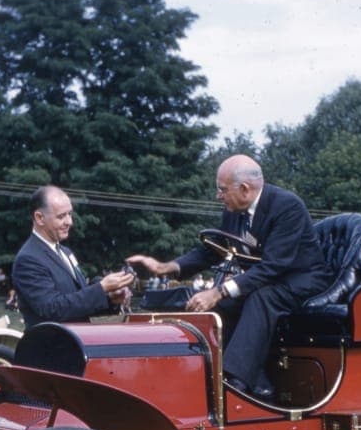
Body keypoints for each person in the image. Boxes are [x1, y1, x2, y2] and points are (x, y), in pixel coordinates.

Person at [126, 154, 331, 399]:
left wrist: (219, 290)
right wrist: (165, 267)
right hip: (270, 279)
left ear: (244, 189)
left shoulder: (287, 207)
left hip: (303, 280)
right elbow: (212, 250)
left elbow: (273, 267)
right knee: (228, 302)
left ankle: (235, 384)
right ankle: (250, 377)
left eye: (222, 190)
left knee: (260, 297)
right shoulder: (234, 210)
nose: (218, 196)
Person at [12, 185, 135, 327]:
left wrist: (110, 298)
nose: (69, 222)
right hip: (51, 346)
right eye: (61, 216)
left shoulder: (66, 252)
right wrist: (101, 288)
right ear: (39, 218)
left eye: (69, 214)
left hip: (76, 343)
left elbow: (78, 303)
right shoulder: (28, 259)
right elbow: (52, 309)